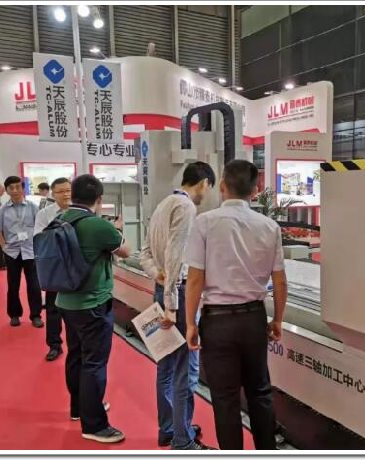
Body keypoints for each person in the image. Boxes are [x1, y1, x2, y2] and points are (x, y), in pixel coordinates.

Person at [185, 160, 288, 450]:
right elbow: (280, 281)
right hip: (253, 319)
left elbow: (195, 279)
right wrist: (277, 319)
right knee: (260, 392)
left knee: (225, 398)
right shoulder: (269, 226)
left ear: (222, 186)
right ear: (255, 191)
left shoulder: (204, 223)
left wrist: (191, 323)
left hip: (217, 322)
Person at [140, 162, 216, 450]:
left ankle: (170, 428)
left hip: (164, 289)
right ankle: (183, 441)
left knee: (166, 364)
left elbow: (146, 252)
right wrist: (172, 302)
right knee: (187, 368)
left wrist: (158, 277)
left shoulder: (163, 205)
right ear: (204, 183)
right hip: (179, 295)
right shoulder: (186, 207)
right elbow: (176, 254)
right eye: (209, 188)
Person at [56, 174, 130, 444]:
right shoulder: (98, 225)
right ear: (99, 199)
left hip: (65, 301)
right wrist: (117, 229)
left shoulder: (60, 219)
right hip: (93, 304)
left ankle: (79, 407)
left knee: (76, 356)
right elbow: (125, 251)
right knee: (95, 363)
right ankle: (94, 424)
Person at [0, 176, 44, 328]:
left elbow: (40, 227)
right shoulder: (2, 209)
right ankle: (14, 315)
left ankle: (36, 315)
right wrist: (4, 246)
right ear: (7, 190)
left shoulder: (33, 207)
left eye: (18, 187)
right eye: (11, 188)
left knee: (34, 285)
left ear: (23, 188)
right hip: (12, 251)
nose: (15, 190)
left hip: (30, 250)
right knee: (13, 284)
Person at [33, 177, 72, 362]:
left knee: (75, 310)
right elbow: (39, 239)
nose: (66, 195)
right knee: (53, 308)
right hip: (55, 268)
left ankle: (76, 345)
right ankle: (54, 345)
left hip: (75, 268)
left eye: (68, 190)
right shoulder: (44, 214)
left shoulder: (78, 212)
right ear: (53, 194)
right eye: (61, 191)